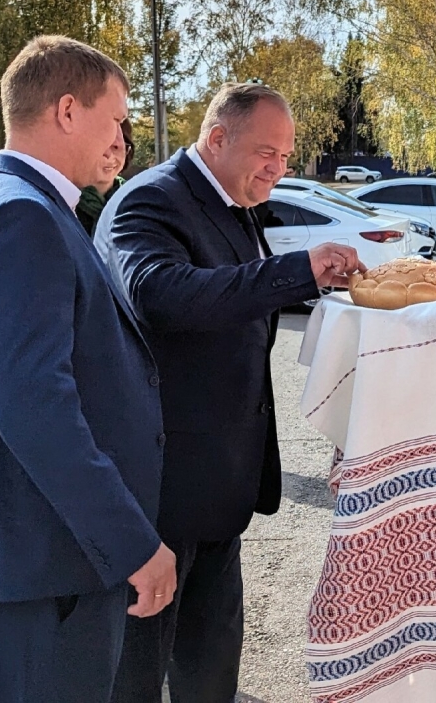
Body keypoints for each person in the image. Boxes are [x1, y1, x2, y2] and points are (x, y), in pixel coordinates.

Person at [0, 36, 177, 703]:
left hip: (38, 564)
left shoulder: (11, 203)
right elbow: (36, 410)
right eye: (116, 118)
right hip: (39, 569)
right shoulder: (19, 217)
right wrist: (133, 544)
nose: (122, 137)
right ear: (67, 110)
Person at [97, 82, 361, 703]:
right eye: (267, 152)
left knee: (210, 666)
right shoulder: (150, 201)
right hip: (161, 493)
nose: (278, 168)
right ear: (217, 139)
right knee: (135, 675)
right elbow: (162, 295)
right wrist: (298, 269)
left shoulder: (232, 202)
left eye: (288, 158)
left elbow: (243, 300)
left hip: (218, 487)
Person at [77, 119, 134, 236]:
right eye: (103, 146)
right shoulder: (65, 200)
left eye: (116, 147)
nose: (110, 157)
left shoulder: (136, 199)